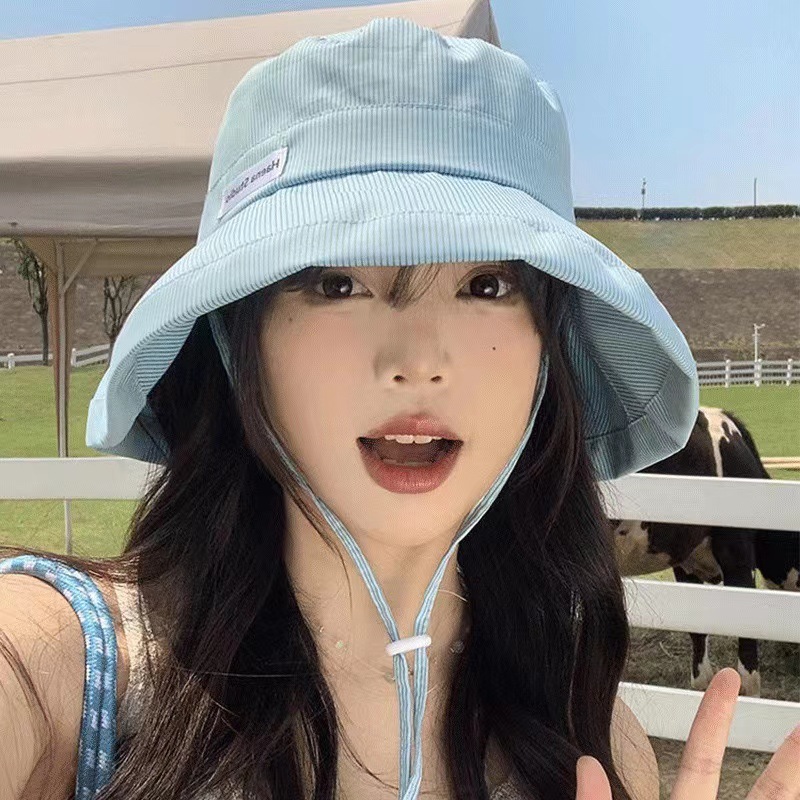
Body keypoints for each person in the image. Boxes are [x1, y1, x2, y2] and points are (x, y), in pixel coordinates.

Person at [1, 16, 797, 800]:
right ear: (237, 337)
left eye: (488, 284)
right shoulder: (53, 677)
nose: (418, 361)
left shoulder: (595, 745)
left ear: (548, 351)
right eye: (336, 282)